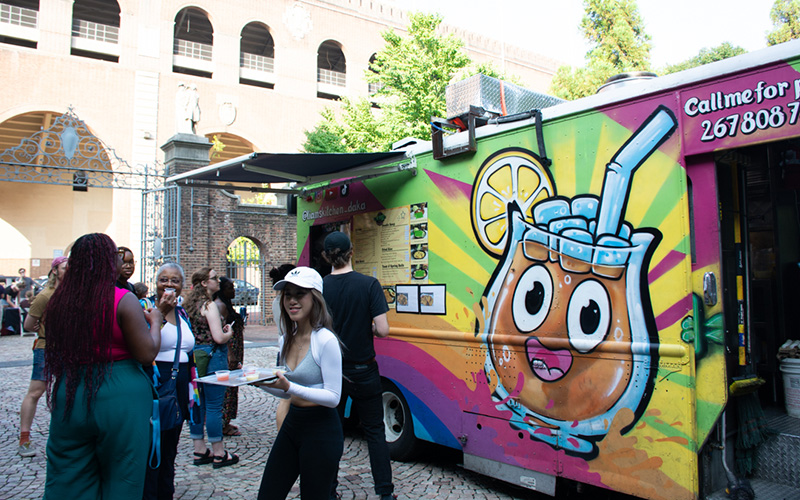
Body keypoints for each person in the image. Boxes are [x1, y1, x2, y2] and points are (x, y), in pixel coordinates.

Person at [43, 233, 162, 499]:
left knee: (68, 474)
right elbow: (146, 353)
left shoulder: (59, 302)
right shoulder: (122, 298)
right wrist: (155, 321)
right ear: (109, 263)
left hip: (71, 390)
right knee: (123, 474)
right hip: (120, 393)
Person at [255, 266, 343, 500]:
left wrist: (289, 387)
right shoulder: (286, 337)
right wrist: (256, 381)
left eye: (299, 294)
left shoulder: (325, 340)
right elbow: (285, 393)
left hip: (321, 429)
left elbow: (334, 397)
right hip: (293, 424)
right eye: (287, 294)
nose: (292, 301)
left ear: (315, 298)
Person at [321, 231, 395, 500]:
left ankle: (329, 491)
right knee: (375, 431)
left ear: (326, 256)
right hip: (363, 369)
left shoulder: (320, 287)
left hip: (330, 371)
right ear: (352, 252)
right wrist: (370, 328)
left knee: (333, 430)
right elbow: (384, 330)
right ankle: (385, 493)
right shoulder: (369, 284)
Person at [143, 263, 195, 500]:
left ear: (182, 284)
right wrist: (161, 313)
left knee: (171, 446)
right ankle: (151, 493)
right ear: (156, 282)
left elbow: (189, 351)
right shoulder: (146, 307)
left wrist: (194, 387)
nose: (169, 284)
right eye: (164, 279)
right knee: (155, 444)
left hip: (180, 385)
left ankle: (166, 492)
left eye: (175, 280)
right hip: (158, 380)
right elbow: (143, 343)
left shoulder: (182, 312)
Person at [184, 267, 238, 468]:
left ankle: (199, 450)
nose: (218, 281)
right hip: (213, 356)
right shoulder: (210, 305)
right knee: (215, 406)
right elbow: (218, 337)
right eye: (214, 278)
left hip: (195, 358)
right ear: (205, 283)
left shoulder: (189, 305)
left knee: (197, 404)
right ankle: (218, 452)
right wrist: (229, 333)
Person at [17, 256, 68, 457]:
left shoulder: (70, 294)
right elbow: (29, 325)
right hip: (46, 348)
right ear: (55, 270)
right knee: (36, 391)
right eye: (65, 268)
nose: (68, 271)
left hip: (67, 349)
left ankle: (61, 438)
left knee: (64, 392)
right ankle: (24, 438)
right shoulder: (45, 295)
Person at [214, 276, 244, 437]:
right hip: (229, 351)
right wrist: (231, 354)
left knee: (232, 385)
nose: (233, 290)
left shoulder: (226, 304)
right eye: (229, 287)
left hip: (234, 349)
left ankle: (225, 420)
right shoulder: (220, 306)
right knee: (226, 387)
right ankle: (222, 423)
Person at [269, 263, 296, 430]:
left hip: (283, 350)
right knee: (287, 398)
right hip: (291, 349)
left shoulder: (276, 301)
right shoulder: (285, 303)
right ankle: (283, 434)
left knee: (286, 397)